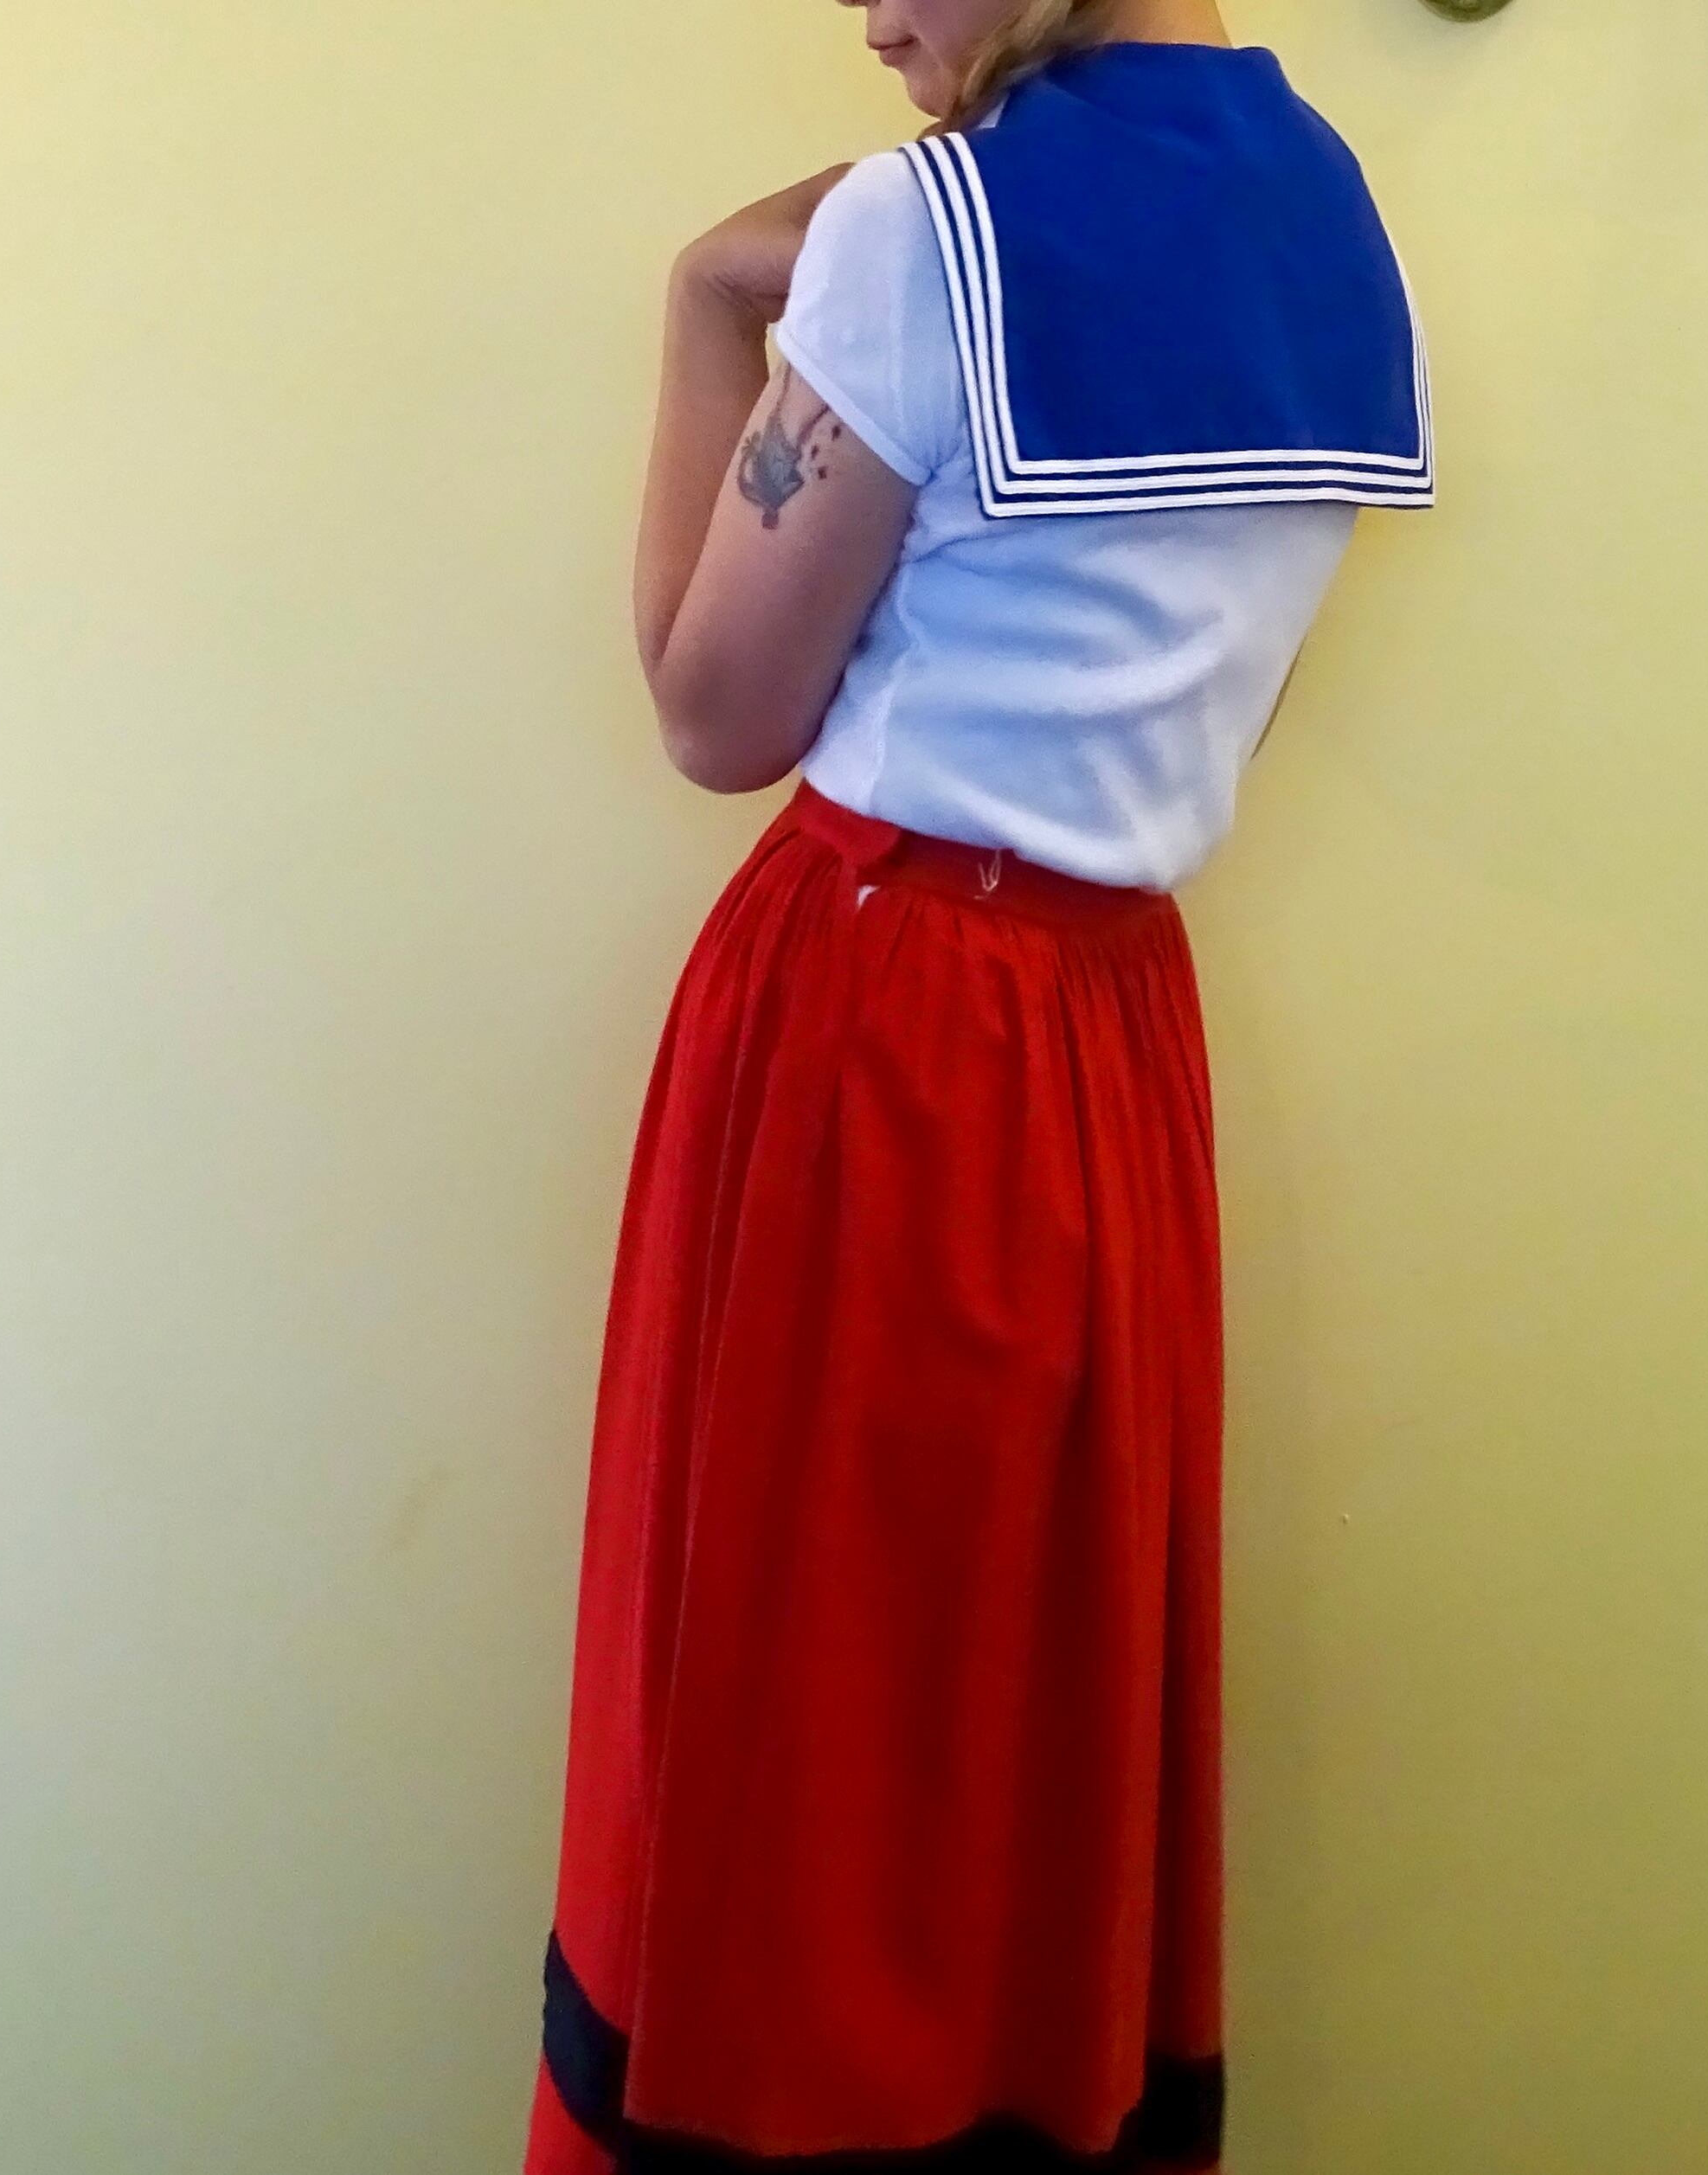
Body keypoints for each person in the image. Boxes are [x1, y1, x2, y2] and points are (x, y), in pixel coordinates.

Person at [527, 2, 1431, 2168]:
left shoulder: (921, 234)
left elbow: (712, 714)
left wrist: (705, 305)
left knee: (815, 1721)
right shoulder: (1332, 220)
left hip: (876, 1037)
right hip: (1111, 1043)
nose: (874, 23)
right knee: (1024, 1702)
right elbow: (1226, 716)